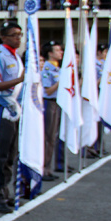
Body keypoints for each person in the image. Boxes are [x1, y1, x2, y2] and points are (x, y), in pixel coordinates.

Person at [0, 20, 25, 214]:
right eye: (14, 35)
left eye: (20, 35)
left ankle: (5, 190)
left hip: (13, 109)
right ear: (4, 37)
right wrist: (19, 80)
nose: (18, 38)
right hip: (1, 108)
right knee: (0, 155)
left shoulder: (16, 57)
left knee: (11, 155)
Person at [40, 40, 63, 180]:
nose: (60, 53)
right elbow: (48, 91)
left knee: (52, 137)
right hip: (49, 103)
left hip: (57, 103)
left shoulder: (58, 69)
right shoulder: (47, 70)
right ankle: (42, 168)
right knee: (47, 137)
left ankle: (48, 168)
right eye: (57, 50)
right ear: (50, 53)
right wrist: (61, 83)